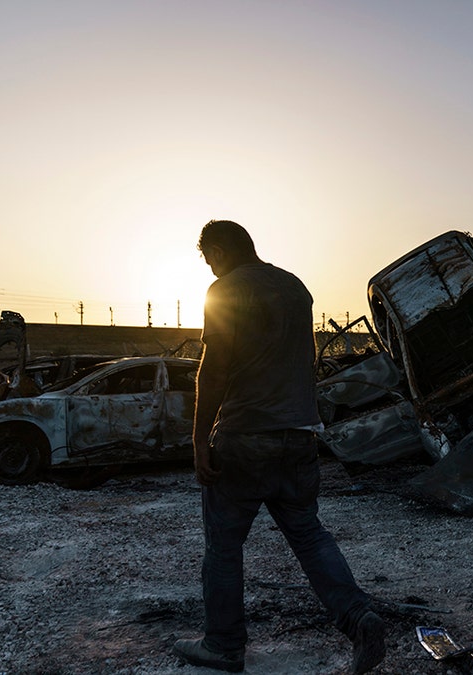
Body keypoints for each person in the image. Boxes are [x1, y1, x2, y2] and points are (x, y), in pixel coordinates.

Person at [173, 220, 387, 673]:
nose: (209, 268)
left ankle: (224, 645)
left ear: (218, 250)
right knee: (309, 535)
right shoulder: (295, 288)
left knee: (224, 546)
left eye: (208, 258)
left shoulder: (226, 291)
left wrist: (198, 441)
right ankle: (358, 617)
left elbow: (213, 371)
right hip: (298, 438)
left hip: (244, 437)